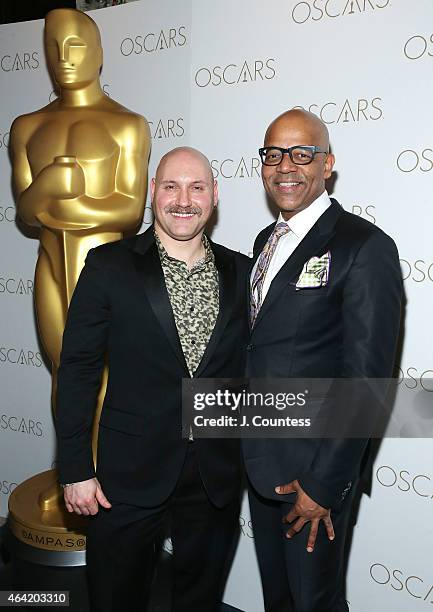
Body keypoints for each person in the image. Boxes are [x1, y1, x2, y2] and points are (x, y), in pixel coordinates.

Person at [56, 146, 249, 612]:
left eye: (197, 187)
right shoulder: (109, 266)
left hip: (214, 474)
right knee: (115, 597)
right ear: (152, 193)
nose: (184, 199)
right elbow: (78, 369)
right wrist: (76, 469)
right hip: (127, 474)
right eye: (171, 186)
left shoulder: (243, 271)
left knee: (200, 601)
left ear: (214, 196)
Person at [242, 109, 402, 612]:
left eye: (301, 153)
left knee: (317, 602)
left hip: (314, 476)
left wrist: (324, 484)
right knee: (280, 601)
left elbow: (369, 379)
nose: (285, 166)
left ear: (327, 163)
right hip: (260, 463)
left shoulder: (364, 246)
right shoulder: (265, 243)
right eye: (273, 154)